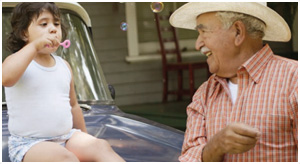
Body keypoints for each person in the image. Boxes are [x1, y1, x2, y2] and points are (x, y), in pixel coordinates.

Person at [169, 2, 297, 162]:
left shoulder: (294, 80)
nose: (197, 44)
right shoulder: (204, 92)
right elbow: (189, 158)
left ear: (238, 32)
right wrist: (216, 146)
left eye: (203, 32)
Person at [2, 2, 125, 162]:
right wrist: (34, 46)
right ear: (24, 33)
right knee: (66, 159)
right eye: (44, 24)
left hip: (67, 136)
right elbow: (5, 78)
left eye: (56, 23)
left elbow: (73, 106)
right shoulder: (19, 62)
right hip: (30, 144)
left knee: (100, 146)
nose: (53, 29)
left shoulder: (64, 66)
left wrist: (84, 138)